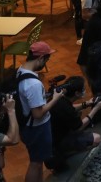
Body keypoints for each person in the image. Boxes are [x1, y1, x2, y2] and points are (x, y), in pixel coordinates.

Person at [16, 42, 66, 182]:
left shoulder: (20, 70)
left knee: (37, 161)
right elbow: (38, 114)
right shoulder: (33, 84)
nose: (46, 63)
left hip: (26, 125)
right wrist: (55, 99)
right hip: (37, 128)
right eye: (46, 60)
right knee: (36, 163)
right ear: (40, 58)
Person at [45, 76, 101, 172]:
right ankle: (64, 154)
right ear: (77, 93)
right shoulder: (66, 108)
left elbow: (71, 107)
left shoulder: (59, 98)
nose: (85, 91)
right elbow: (79, 126)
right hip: (58, 142)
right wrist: (95, 109)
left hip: (51, 138)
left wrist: (87, 103)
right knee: (96, 138)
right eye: (83, 89)